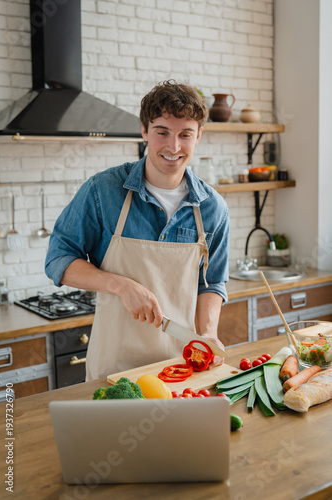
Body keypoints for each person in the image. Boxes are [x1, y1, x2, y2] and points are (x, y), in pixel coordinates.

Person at [45, 80, 230, 381]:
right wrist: (120, 285)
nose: (173, 146)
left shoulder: (213, 208)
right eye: (162, 132)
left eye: (185, 134)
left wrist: (208, 334)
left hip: (181, 368)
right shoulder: (102, 191)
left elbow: (211, 282)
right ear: (144, 131)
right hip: (115, 369)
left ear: (199, 136)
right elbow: (58, 260)